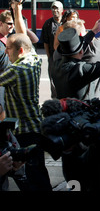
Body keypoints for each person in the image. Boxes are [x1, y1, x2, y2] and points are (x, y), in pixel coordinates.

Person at [0, 33, 52, 191]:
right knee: (39, 174)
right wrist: (17, 11)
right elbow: (28, 42)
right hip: (35, 125)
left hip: (23, 131)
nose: (6, 52)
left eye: (8, 48)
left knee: (31, 176)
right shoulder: (34, 59)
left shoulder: (15, 70)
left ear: (20, 50)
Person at [41, 1, 64, 99]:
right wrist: (49, 57)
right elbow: (45, 42)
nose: (55, 10)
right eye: (53, 8)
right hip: (53, 57)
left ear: (62, 10)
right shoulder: (48, 24)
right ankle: (55, 101)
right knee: (53, 82)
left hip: (64, 57)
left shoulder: (66, 22)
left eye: (57, 8)